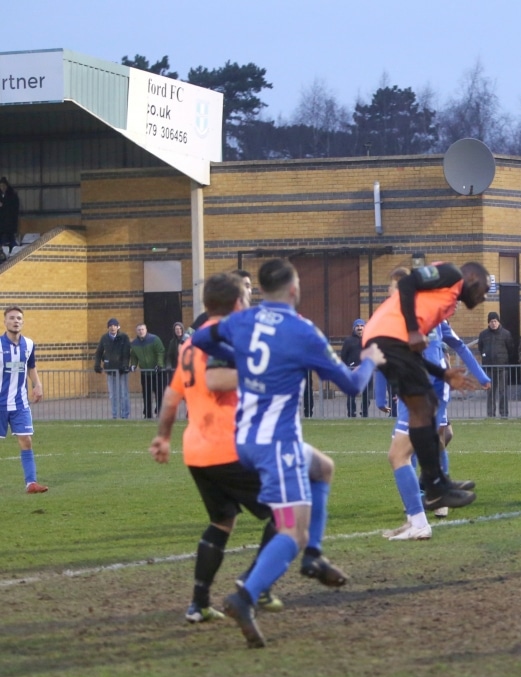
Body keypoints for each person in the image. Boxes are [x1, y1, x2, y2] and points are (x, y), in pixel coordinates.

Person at [191, 258, 384, 648]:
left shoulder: (243, 321)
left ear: (261, 290)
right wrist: (370, 362)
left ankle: (313, 555)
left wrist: (241, 356)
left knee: (323, 468)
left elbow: (200, 339)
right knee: (289, 531)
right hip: (276, 446)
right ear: (295, 290)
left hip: (246, 439)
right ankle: (245, 595)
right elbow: (350, 386)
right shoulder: (302, 332)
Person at [150, 273, 284, 623]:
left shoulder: (191, 343)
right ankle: (251, 586)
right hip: (231, 448)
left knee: (222, 521)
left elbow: (171, 394)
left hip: (197, 450)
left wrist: (163, 436)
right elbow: (218, 379)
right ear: (238, 302)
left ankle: (198, 604)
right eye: (246, 295)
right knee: (285, 514)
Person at [363, 260, 491, 511]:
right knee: (423, 410)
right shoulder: (451, 274)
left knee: (428, 407)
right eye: (484, 289)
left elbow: (416, 353)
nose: (484, 297)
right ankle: (434, 488)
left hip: (392, 342)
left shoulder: (445, 305)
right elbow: (409, 282)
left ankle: (437, 483)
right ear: (473, 276)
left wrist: (442, 373)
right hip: (386, 338)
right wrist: (412, 330)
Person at [379, 318, 490, 539]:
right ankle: (425, 503)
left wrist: (480, 375)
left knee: (408, 450)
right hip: (421, 388)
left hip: (425, 389)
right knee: (416, 446)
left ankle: (428, 503)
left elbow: (446, 348)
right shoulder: (414, 316)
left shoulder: (426, 317)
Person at [0, 306, 47, 493]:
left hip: (20, 403)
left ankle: (31, 483)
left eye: (19, 318)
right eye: (11, 318)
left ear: (23, 321)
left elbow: (31, 365)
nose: (15, 321)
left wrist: (37, 384)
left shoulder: (28, 344)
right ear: (5, 322)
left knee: (26, 440)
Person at [189, 269, 253, 333]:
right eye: (244, 286)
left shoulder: (254, 320)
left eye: (248, 286)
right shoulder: (204, 318)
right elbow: (186, 338)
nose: (247, 291)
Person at [478, 312, 516, 417]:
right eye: (491, 321)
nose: (494, 323)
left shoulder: (506, 334)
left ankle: (504, 413)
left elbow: (511, 349)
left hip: (502, 367)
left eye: (495, 321)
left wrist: (504, 360)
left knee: (502, 392)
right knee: (490, 392)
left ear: (498, 322)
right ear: (488, 323)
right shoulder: (483, 334)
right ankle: (490, 414)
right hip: (489, 368)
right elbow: (481, 348)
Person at [94, 317, 131, 419]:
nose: (112, 328)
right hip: (110, 370)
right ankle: (115, 415)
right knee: (113, 395)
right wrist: (97, 365)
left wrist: (124, 365)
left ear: (118, 327)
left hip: (122, 371)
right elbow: (99, 352)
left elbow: (126, 353)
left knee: (124, 394)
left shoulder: (124, 337)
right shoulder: (104, 338)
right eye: (110, 326)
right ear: (108, 328)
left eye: (114, 325)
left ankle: (125, 415)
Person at [130, 323, 166, 419]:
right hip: (145, 373)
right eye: (139, 330)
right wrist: (133, 365)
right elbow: (133, 356)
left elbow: (160, 352)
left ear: (146, 330)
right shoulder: (134, 343)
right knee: (146, 394)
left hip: (156, 372)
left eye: (142, 329)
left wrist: (159, 364)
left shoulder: (155, 339)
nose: (141, 331)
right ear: (136, 331)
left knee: (159, 393)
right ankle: (147, 414)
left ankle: (160, 411)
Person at [340, 319, 370, 418]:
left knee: (366, 394)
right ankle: (351, 413)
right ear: (354, 328)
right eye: (357, 326)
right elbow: (343, 356)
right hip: (352, 371)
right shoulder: (348, 341)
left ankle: (365, 413)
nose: (359, 328)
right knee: (351, 394)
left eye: (362, 326)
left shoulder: (368, 340)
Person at [0, 177, 20, 258]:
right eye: (1, 186)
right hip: (1, 224)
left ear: (7, 186)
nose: (2, 187)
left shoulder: (12, 195)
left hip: (9, 224)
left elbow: (14, 209)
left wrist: (3, 206)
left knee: (10, 240)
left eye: (4, 186)